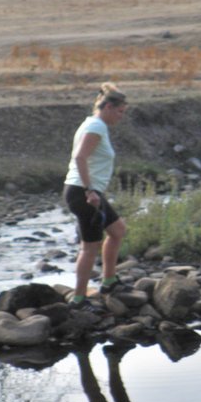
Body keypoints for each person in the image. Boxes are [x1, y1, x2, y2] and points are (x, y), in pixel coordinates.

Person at [63, 82, 129, 305]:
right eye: (120, 112)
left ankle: (109, 280)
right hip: (83, 192)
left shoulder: (93, 124)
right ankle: (79, 297)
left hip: (83, 191)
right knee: (90, 246)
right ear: (108, 107)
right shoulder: (96, 126)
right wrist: (90, 191)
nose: (121, 117)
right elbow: (80, 157)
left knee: (118, 230)